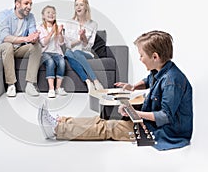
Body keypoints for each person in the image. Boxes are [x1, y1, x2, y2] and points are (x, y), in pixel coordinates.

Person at [38, 30, 193, 151]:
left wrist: (137, 113)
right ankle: (61, 121)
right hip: (151, 123)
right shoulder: (162, 70)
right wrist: (133, 87)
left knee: (108, 127)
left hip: (164, 132)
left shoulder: (172, 81)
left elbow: (165, 116)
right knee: (101, 120)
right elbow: (149, 80)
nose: (140, 59)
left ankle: (57, 129)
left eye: (141, 55)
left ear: (155, 56)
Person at [0, 0, 42, 97]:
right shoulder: (5, 15)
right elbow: (5, 37)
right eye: (26, 3)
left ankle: (30, 85)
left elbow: (31, 34)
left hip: (19, 48)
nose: (29, 7)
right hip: (2, 48)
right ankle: (11, 85)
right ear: (17, 4)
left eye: (31, 4)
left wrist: (34, 38)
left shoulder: (30, 17)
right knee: (8, 45)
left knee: (37, 46)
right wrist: (27, 38)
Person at [64, 0, 104, 93]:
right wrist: (79, 39)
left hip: (85, 53)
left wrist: (84, 38)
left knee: (77, 52)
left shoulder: (93, 24)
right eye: (76, 5)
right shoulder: (69, 23)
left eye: (81, 5)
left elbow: (88, 46)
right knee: (68, 53)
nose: (78, 7)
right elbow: (68, 45)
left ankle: (95, 80)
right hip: (71, 52)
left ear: (86, 7)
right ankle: (88, 81)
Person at [37, 5, 68, 98]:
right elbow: (43, 43)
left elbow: (61, 43)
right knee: (50, 62)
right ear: (43, 16)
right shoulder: (40, 28)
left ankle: (58, 88)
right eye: (48, 12)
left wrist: (59, 33)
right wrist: (51, 32)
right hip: (44, 53)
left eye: (53, 13)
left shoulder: (58, 28)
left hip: (56, 52)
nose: (51, 14)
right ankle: (51, 89)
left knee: (62, 62)